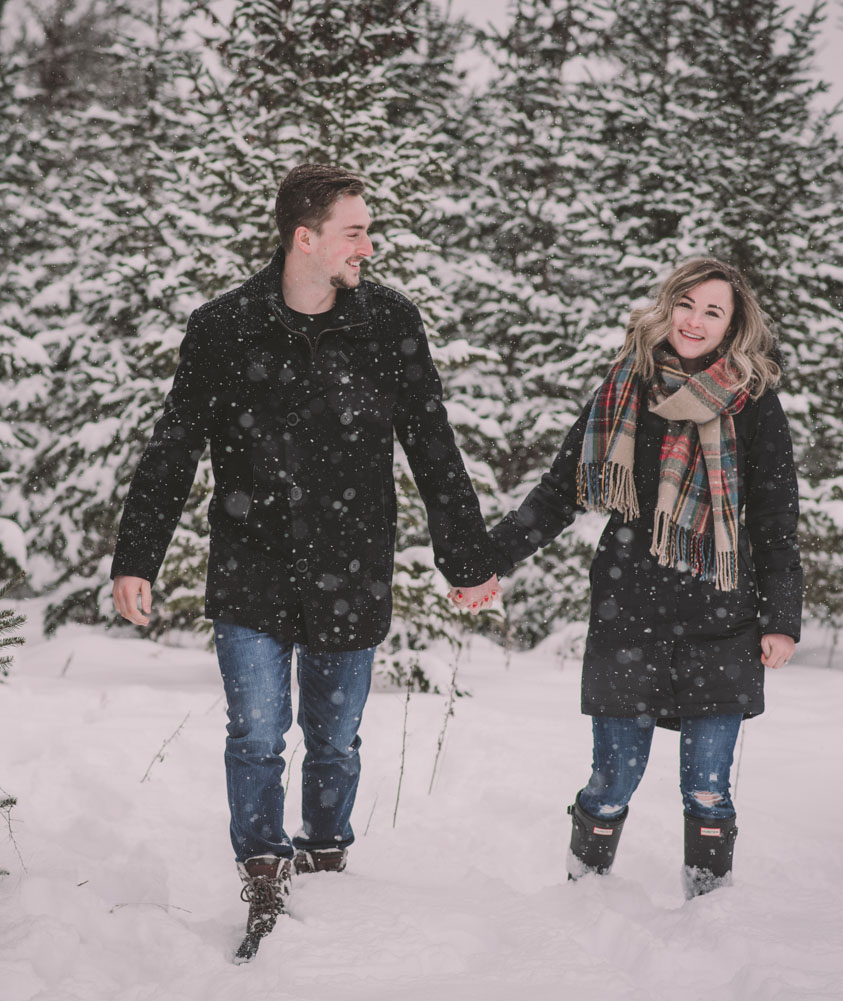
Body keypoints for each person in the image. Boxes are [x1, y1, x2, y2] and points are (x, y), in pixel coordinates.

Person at [110, 164, 502, 961]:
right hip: (250, 567)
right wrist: (136, 557)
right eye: (355, 232)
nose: (368, 246)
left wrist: (465, 557)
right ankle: (263, 868)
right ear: (305, 238)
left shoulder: (388, 323)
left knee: (334, 738)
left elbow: (432, 444)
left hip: (351, 570)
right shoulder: (225, 329)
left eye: (367, 231)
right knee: (257, 733)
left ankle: (325, 854)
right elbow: (174, 447)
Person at [455, 258, 802, 898]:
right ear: (667, 307)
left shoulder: (753, 403)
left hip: (721, 616)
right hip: (630, 612)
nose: (694, 321)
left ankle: (711, 911)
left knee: (708, 788)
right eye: (686, 304)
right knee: (612, 782)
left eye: (713, 311)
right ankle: (584, 896)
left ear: (732, 326)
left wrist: (781, 619)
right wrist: (487, 562)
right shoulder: (625, 386)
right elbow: (560, 492)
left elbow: (776, 517)